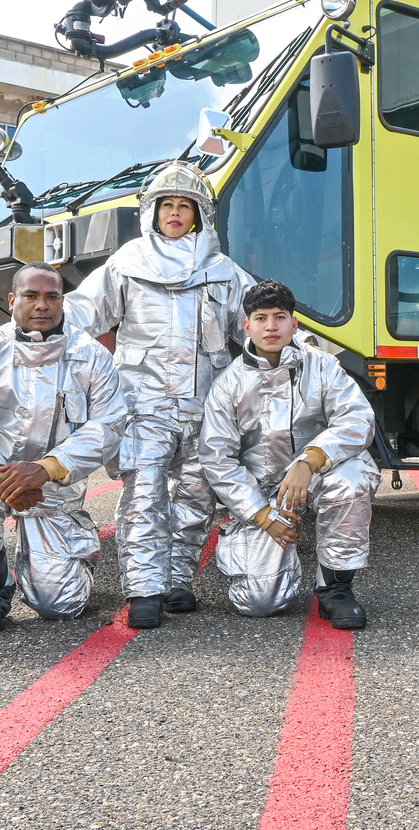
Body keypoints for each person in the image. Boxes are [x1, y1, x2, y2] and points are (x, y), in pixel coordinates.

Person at [64, 162, 255, 629]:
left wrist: (304, 356)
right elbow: (81, 312)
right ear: (152, 212)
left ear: (198, 216)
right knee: (144, 496)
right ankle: (144, 590)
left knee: (195, 497)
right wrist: (29, 331)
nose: (174, 213)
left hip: (206, 407)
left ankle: (177, 581)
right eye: (166, 205)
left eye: (183, 206)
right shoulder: (127, 263)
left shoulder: (222, 270)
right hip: (143, 406)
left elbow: (258, 325)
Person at [0, 261, 128, 633]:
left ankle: (72, 552)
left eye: (52, 296)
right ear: (11, 301)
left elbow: (109, 424)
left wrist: (45, 469)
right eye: (31, 296)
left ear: (62, 302)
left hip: (52, 484)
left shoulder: (92, 356)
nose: (42, 305)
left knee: (60, 605)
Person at [200, 279, 381, 628]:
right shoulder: (229, 384)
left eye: (280, 317)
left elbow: (358, 419)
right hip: (268, 495)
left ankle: (336, 589)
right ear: (246, 325)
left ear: (294, 324)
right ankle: (261, 549)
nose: (271, 326)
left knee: (351, 479)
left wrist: (310, 460)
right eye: (261, 317)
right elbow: (217, 458)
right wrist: (261, 513)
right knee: (259, 601)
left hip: (318, 476)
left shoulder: (322, 366)